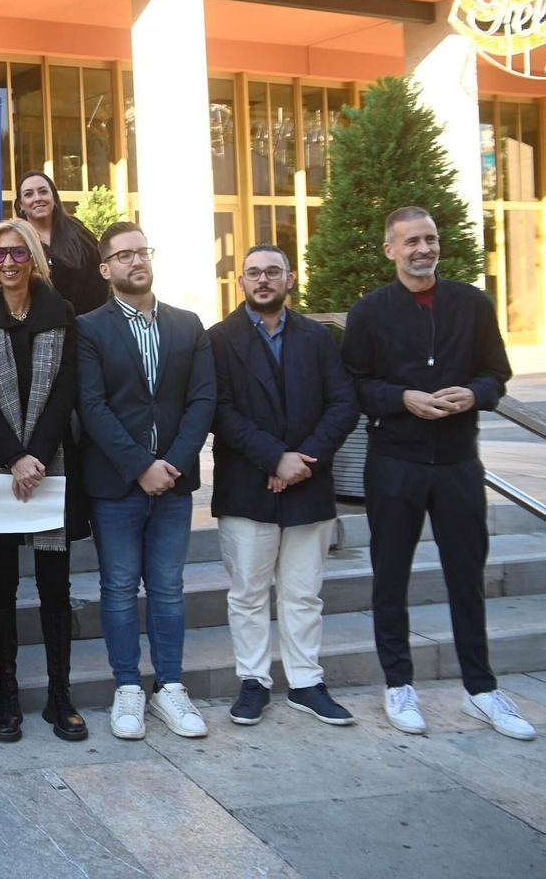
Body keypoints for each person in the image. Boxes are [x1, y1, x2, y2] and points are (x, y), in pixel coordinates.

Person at [342, 206, 533, 740]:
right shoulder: (370, 311)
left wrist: (475, 393)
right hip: (394, 461)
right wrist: (401, 398)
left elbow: (497, 373)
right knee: (391, 579)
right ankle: (398, 684)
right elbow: (354, 384)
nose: (423, 249)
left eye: (430, 240)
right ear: (390, 250)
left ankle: (481, 689)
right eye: (411, 242)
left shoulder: (472, 304)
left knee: (466, 578)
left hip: (458, 464)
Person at [209, 243, 359, 728]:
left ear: (290, 279)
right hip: (246, 486)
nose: (264, 280)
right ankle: (253, 682)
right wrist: (274, 457)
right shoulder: (218, 339)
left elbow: (342, 404)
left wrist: (301, 461)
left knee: (302, 594)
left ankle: (306, 682)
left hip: (308, 486)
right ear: (241, 283)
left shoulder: (317, 338)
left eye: (273, 271)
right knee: (248, 593)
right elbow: (220, 411)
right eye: (254, 273)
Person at [77, 221, 215, 741]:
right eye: (124, 255)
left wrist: (172, 465)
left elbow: (203, 400)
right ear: (105, 268)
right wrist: (140, 466)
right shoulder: (89, 328)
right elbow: (91, 405)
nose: (137, 261)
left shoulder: (188, 325)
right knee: (117, 589)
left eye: (143, 251)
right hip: (116, 485)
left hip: (174, 485)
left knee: (168, 588)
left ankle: (172, 688)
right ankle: (129, 687)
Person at [0, 219, 88, 743]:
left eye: (18, 253)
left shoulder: (58, 310)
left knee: (54, 587)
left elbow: (67, 390)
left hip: (52, 466)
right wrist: (13, 455)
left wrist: (35, 456)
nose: (10, 263)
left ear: (33, 257)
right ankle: (8, 697)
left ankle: (60, 696)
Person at [13, 171, 108, 318]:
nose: (37, 198)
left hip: (80, 327)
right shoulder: (14, 240)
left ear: (54, 197)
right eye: (29, 194)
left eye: (43, 191)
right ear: (21, 205)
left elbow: (98, 282)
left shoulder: (79, 234)